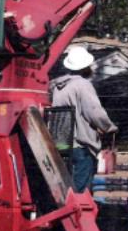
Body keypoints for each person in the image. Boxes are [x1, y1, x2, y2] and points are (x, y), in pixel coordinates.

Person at [50, 45, 118, 193]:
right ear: (85, 67)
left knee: (65, 192)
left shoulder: (57, 87)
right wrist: (109, 127)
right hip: (81, 147)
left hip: (61, 146)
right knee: (80, 195)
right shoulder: (82, 85)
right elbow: (94, 112)